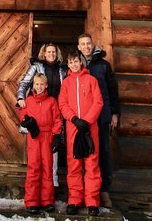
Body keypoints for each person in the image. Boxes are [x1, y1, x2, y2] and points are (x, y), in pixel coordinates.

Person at [77, 33, 120, 208]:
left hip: (101, 116)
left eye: (89, 43)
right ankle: (83, 191)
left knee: (102, 152)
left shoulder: (103, 65)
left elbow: (112, 90)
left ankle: (103, 191)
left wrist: (114, 113)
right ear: (78, 47)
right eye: (83, 44)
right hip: (81, 118)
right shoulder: (75, 65)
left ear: (92, 45)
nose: (87, 47)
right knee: (81, 153)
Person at [58, 51, 103, 216]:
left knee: (91, 164)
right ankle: (75, 200)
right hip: (73, 127)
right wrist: (74, 119)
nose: (74, 64)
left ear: (80, 62)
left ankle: (92, 202)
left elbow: (98, 102)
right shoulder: (66, 83)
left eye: (76, 61)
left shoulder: (91, 80)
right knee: (74, 164)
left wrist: (87, 121)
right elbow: (62, 104)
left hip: (90, 128)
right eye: (71, 62)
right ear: (68, 65)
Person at [17, 43, 67, 186]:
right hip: (38, 109)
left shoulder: (62, 70)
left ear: (57, 54)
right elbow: (24, 83)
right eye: (49, 52)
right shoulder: (37, 67)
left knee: (54, 144)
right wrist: (21, 97)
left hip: (55, 109)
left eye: (54, 52)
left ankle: (53, 179)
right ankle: (36, 180)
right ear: (44, 54)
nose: (51, 54)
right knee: (37, 146)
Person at [18, 73, 63, 214]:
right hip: (34, 137)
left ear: (46, 86)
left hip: (48, 136)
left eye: (42, 84)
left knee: (47, 168)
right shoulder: (29, 100)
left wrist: (56, 135)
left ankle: (47, 200)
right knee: (34, 167)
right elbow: (23, 115)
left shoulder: (51, 101)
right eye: (37, 84)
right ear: (33, 86)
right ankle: (32, 201)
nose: (39, 86)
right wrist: (29, 124)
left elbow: (57, 119)